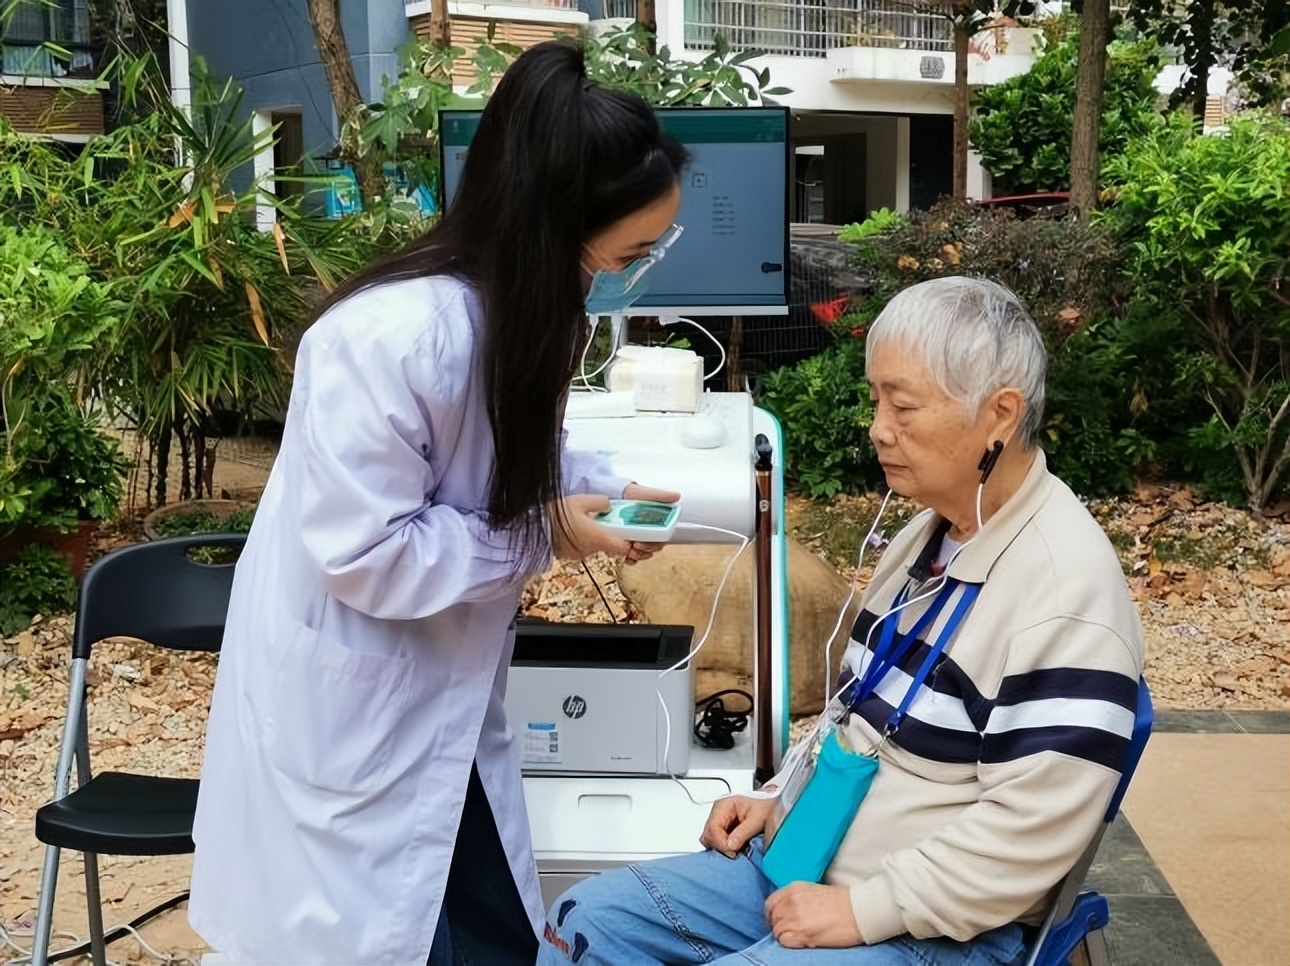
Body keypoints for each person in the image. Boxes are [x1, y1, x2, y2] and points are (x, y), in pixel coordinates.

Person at [188, 40, 689, 966]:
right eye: (630, 253)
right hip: (354, 709)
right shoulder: (385, 340)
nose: (633, 271)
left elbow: (511, 448)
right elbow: (368, 552)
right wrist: (548, 531)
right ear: (556, 232)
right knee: (404, 933)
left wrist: (605, 488)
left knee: (486, 925)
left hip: (437, 703)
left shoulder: (519, 314)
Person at [538, 276, 1146, 966]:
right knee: (584, 924)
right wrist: (780, 796)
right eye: (876, 399)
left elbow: (1033, 832)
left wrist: (863, 910)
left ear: (1000, 415)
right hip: (811, 863)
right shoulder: (929, 536)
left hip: (934, 923)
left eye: (903, 406)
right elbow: (855, 712)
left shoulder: (1065, 593)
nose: (878, 427)